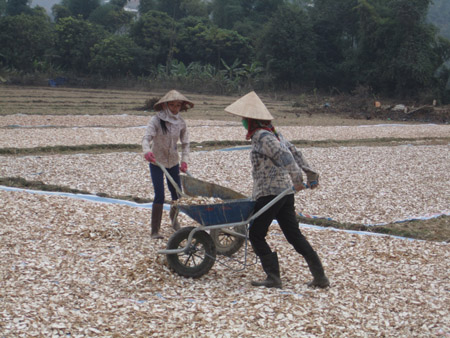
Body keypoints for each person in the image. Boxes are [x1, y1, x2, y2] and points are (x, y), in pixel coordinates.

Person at [224, 91, 330, 289]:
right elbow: (294, 152)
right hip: (284, 193)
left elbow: (285, 155)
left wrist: (298, 178)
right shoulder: (274, 133)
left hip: (271, 193)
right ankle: (320, 277)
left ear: (251, 120)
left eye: (244, 119)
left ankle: (273, 277)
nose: (243, 123)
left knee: (256, 234)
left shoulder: (262, 136)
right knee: (294, 235)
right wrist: (311, 174)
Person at [142, 90, 193, 239]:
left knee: (176, 194)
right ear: (165, 105)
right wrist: (147, 151)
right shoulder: (156, 120)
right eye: (172, 105)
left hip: (173, 162)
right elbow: (146, 138)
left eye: (178, 105)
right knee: (159, 194)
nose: (175, 108)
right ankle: (155, 230)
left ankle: (174, 220)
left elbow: (186, 143)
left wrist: (184, 161)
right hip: (157, 161)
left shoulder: (181, 122)